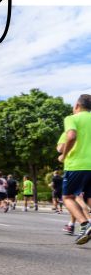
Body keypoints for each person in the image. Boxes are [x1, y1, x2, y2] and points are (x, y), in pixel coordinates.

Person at [58, 94, 91, 244]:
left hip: (77, 165)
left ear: (77, 105)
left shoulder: (72, 118)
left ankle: (85, 224)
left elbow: (71, 136)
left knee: (68, 197)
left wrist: (64, 155)